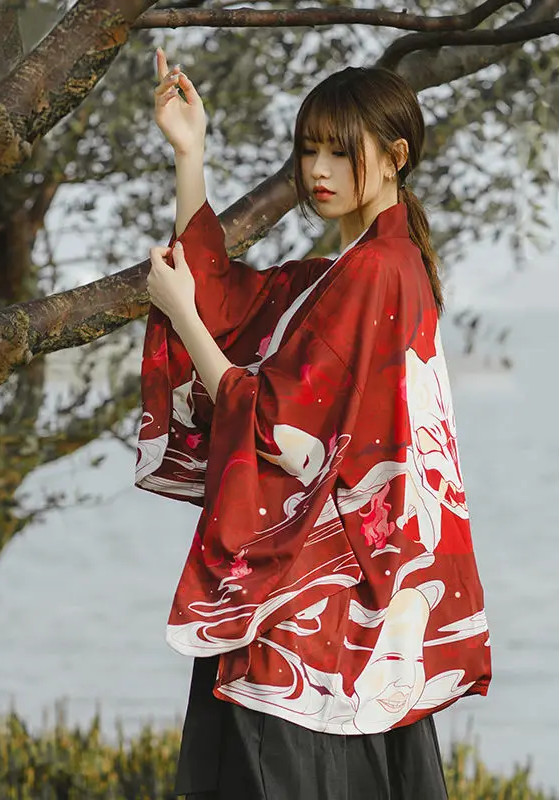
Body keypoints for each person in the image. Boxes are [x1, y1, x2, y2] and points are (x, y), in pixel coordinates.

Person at [136, 47, 491, 800]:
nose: (318, 170)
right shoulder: (361, 267)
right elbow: (229, 302)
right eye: (308, 150)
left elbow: (274, 424)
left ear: (394, 157)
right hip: (349, 592)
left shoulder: (374, 271)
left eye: (339, 150)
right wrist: (190, 153)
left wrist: (180, 315)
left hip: (312, 599)